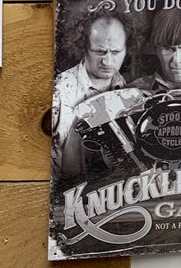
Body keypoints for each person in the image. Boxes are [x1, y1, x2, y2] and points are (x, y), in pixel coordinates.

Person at [52, 11, 129, 175]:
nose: (108, 61)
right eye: (100, 52)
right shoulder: (59, 92)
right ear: (84, 48)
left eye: (115, 52)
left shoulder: (127, 88)